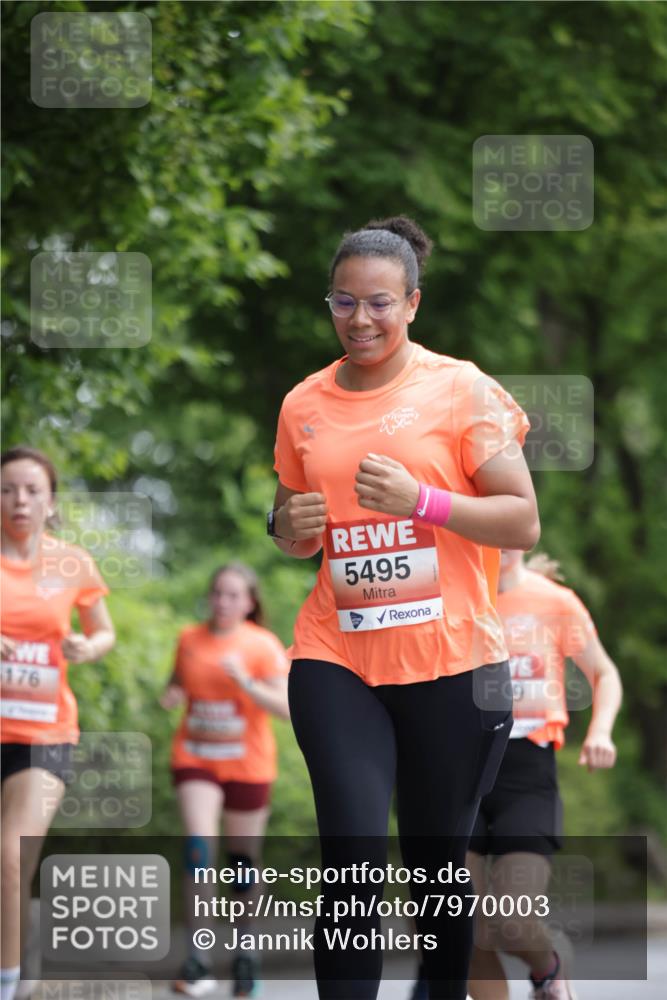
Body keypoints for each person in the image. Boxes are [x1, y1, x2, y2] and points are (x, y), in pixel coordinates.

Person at [268, 215, 540, 1000]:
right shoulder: (303, 403)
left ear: (412, 303)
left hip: (452, 663)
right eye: (343, 302)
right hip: (337, 655)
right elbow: (293, 528)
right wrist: (283, 526)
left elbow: (521, 519)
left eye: (379, 303)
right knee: (351, 855)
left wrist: (422, 500)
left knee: (433, 865)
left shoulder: (461, 389)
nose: (359, 319)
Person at [410, 549, 623, 1000]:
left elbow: (604, 673)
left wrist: (601, 731)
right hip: (459, 766)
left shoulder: (555, 601)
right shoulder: (449, 596)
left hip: (527, 773)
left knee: (512, 921)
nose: (500, 543)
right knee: (457, 923)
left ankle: (548, 971)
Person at [1, 446, 115, 1000]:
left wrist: (87, 647)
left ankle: (6, 983)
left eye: (32, 490)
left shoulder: (71, 562)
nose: (19, 500)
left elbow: (103, 630)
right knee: (12, 870)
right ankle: (21, 962)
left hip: (44, 732)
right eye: (7, 490)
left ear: (50, 502)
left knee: (9, 855)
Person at [160, 562, 290, 999]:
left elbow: (286, 708)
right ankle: (198, 958)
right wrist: (173, 693)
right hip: (196, 758)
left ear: (250, 603)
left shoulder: (262, 645)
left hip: (247, 765)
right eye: (217, 593)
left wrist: (246, 682)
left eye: (233, 595)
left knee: (242, 862)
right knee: (199, 846)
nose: (222, 602)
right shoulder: (189, 639)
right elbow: (178, 680)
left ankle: (245, 952)